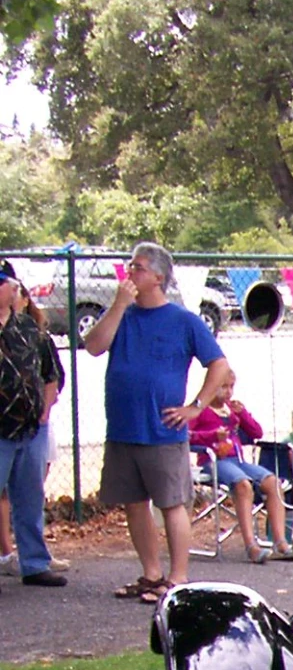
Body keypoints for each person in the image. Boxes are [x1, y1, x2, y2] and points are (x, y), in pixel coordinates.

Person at [84, 241, 231, 603]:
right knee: (134, 503)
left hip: (162, 429)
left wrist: (195, 406)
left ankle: (177, 577)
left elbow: (219, 364)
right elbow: (93, 346)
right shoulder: (122, 315)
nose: (129, 273)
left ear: (158, 277)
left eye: (137, 268)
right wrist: (118, 305)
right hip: (123, 426)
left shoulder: (184, 321)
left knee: (170, 503)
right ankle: (151, 573)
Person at [0, 261, 69, 588]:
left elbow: (50, 374)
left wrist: (44, 410)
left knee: (29, 499)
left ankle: (34, 563)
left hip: (30, 430)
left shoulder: (29, 330)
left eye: (4, 283)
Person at [189, 372, 290, 560]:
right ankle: (251, 546)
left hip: (239, 460)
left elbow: (256, 432)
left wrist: (242, 414)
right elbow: (186, 435)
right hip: (213, 461)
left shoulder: (231, 410)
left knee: (272, 482)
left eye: (231, 387)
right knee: (243, 485)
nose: (228, 392)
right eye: (222, 387)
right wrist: (211, 436)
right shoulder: (200, 409)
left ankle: (280, 542)